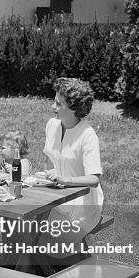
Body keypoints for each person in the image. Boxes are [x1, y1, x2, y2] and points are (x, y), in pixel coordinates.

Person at [41, 77, 104, 259]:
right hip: (55, 193)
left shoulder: (87, 135)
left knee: (42, 232)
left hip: (82, 202)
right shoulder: (52, 125)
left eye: (58, 104)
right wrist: (47, 177)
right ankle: (35, 266)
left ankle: (46, 271)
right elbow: (49, 158)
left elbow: (94, 179)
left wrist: (65, 180)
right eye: (54, 101)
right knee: (20, 223)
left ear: (75, 109)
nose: (53, 107)